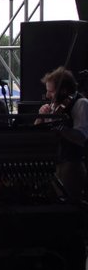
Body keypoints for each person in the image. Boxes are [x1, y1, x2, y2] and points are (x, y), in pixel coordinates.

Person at [35, 66, 88, 200]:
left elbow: (82, 137)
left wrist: (61, 128)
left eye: (51, 91)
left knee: (69, 203)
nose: (48, 96)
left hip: (70, 165)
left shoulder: (81, 103)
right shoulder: (55, 106)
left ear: (63, 90)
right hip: (52, 163)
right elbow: (37, 131)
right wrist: (41, 116)